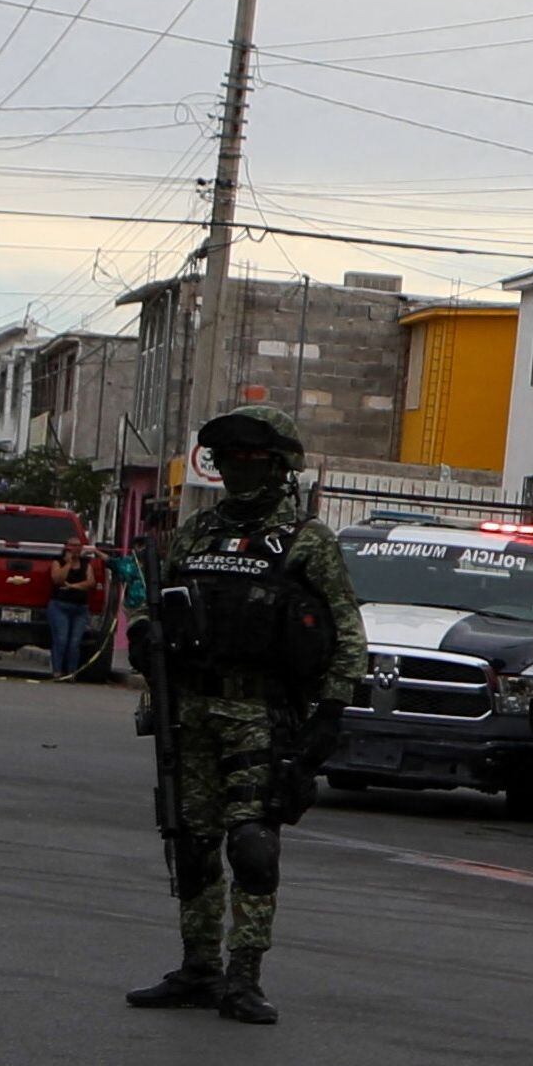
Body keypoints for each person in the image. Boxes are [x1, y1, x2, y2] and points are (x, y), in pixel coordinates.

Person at [126, 404, 365, 1027]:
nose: (237, 471)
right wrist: (145, 640)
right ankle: (198, 966)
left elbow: (348, 634)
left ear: (280, 467)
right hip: (192, 710)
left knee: (252, 846)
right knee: (192, 840)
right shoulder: (197, 534)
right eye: (228, 460)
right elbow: (164, 607)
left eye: (251, 461)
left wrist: (329, 714)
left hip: (260, 712)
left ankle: (244, 977)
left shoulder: (306, 540)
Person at [42, 525, 107, 679]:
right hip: (59, 606)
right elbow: (57, 579)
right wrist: (69, 564)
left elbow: (90, 582)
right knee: (61, 639)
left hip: (80, 608)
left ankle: (71, 672)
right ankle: (57, 671)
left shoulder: (86, 564)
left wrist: (73, 586)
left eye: (78, 546)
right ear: (66, 547)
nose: (76, 549)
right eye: (72, 546)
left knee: (75, 642)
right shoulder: (58, 562)